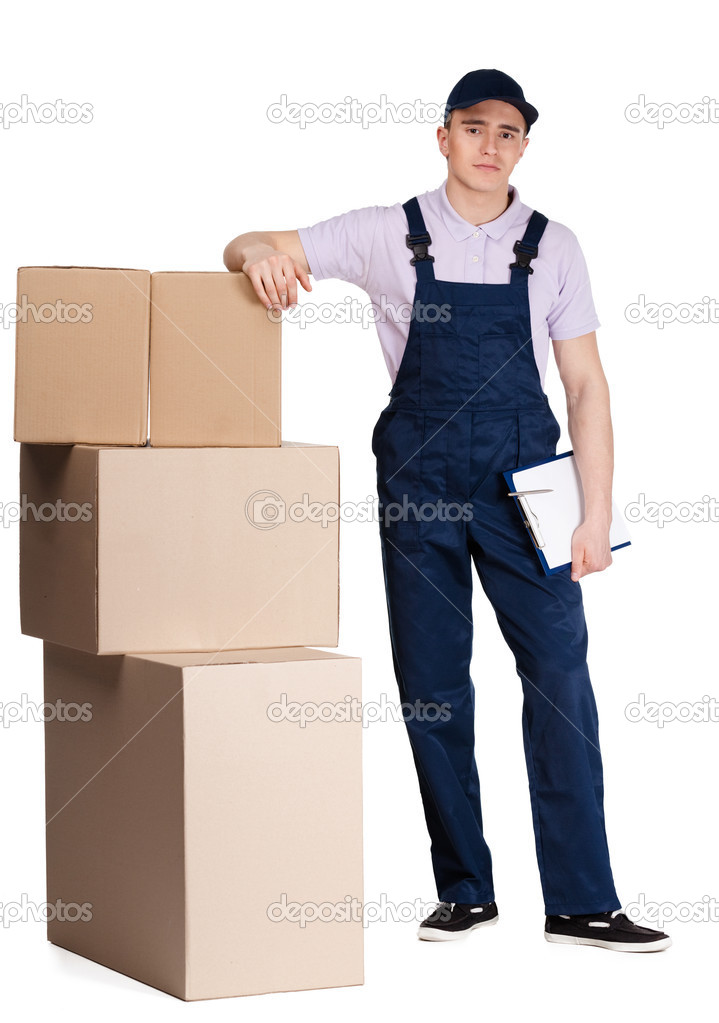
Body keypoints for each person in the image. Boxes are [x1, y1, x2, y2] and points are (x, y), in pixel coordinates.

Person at [223, 68, 671, 953]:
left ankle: (582, 901)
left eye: (507, 133)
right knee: (432, 687)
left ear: (522, 147)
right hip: (420, 476)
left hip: (530, 486)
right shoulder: (386, 232)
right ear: (442, 137)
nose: (489, 145)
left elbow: (584, 386)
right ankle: (463, 888)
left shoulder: (554, 246)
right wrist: (258, 257)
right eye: (473, 129)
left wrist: (595, 513)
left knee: (560, 676)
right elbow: (242, 241)